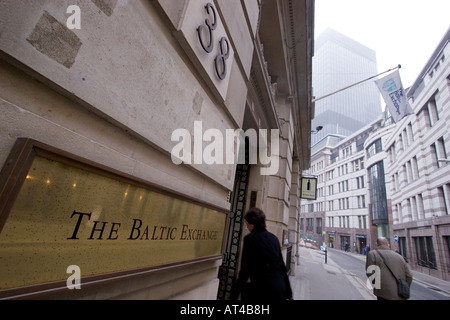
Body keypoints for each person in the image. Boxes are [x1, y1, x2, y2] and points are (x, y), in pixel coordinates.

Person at [230, 208, 292, 300]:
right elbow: (282, 267)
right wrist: (289, 292)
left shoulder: (250, 239)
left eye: (247, 224)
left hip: (263, 291)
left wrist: (233, 295)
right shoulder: (274, 238)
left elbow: (244, 272)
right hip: (279, 289)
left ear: (252, 224)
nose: (246, 227)